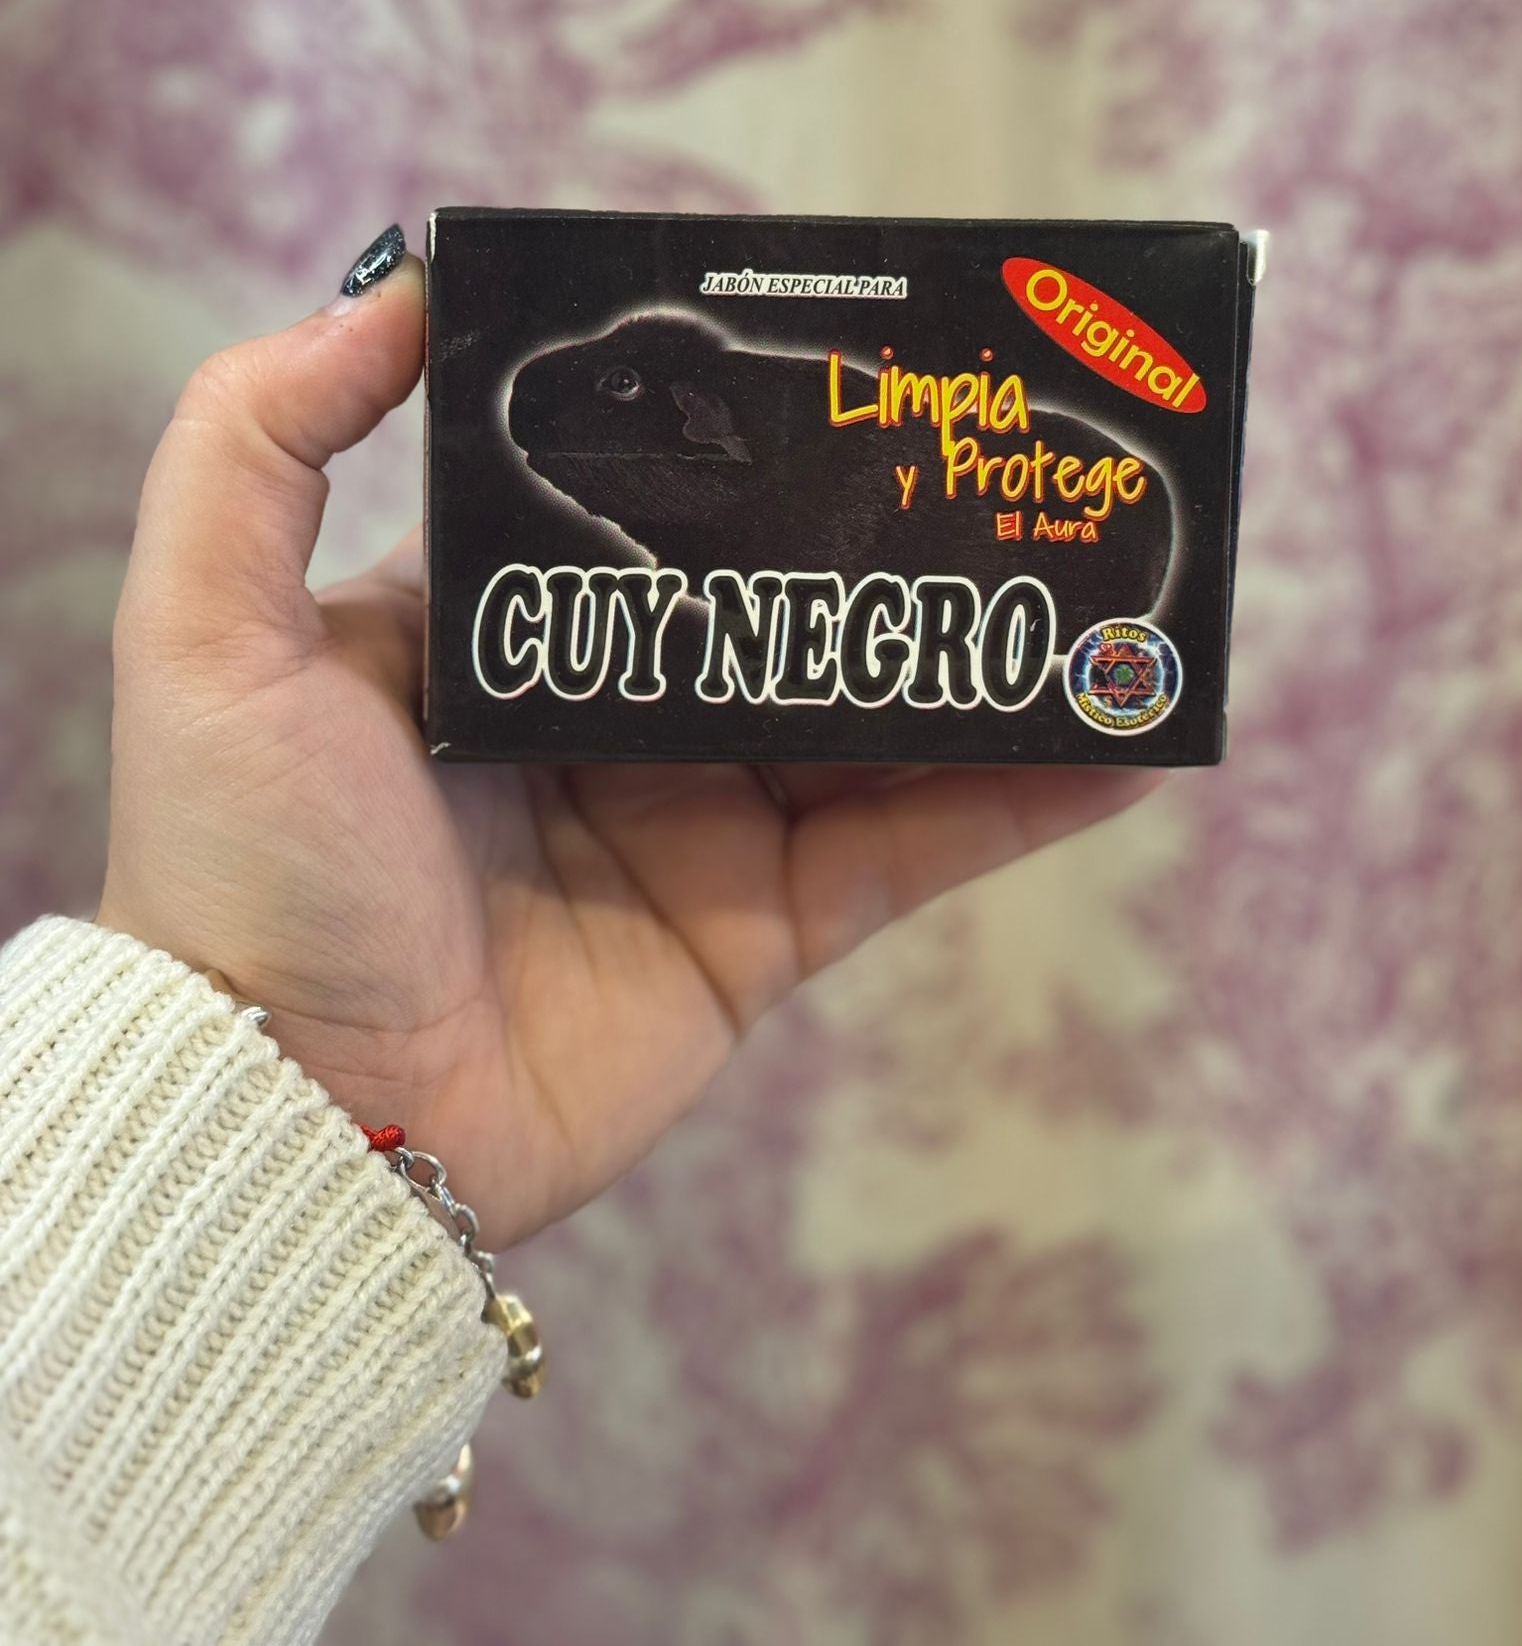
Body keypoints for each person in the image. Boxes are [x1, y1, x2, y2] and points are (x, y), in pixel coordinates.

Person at [0, 231, 1152, 1645]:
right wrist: (311, 1061)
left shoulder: (826, 462)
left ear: (700, 420)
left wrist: (294, 1101)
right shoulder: (696, 462)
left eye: (619, 394)